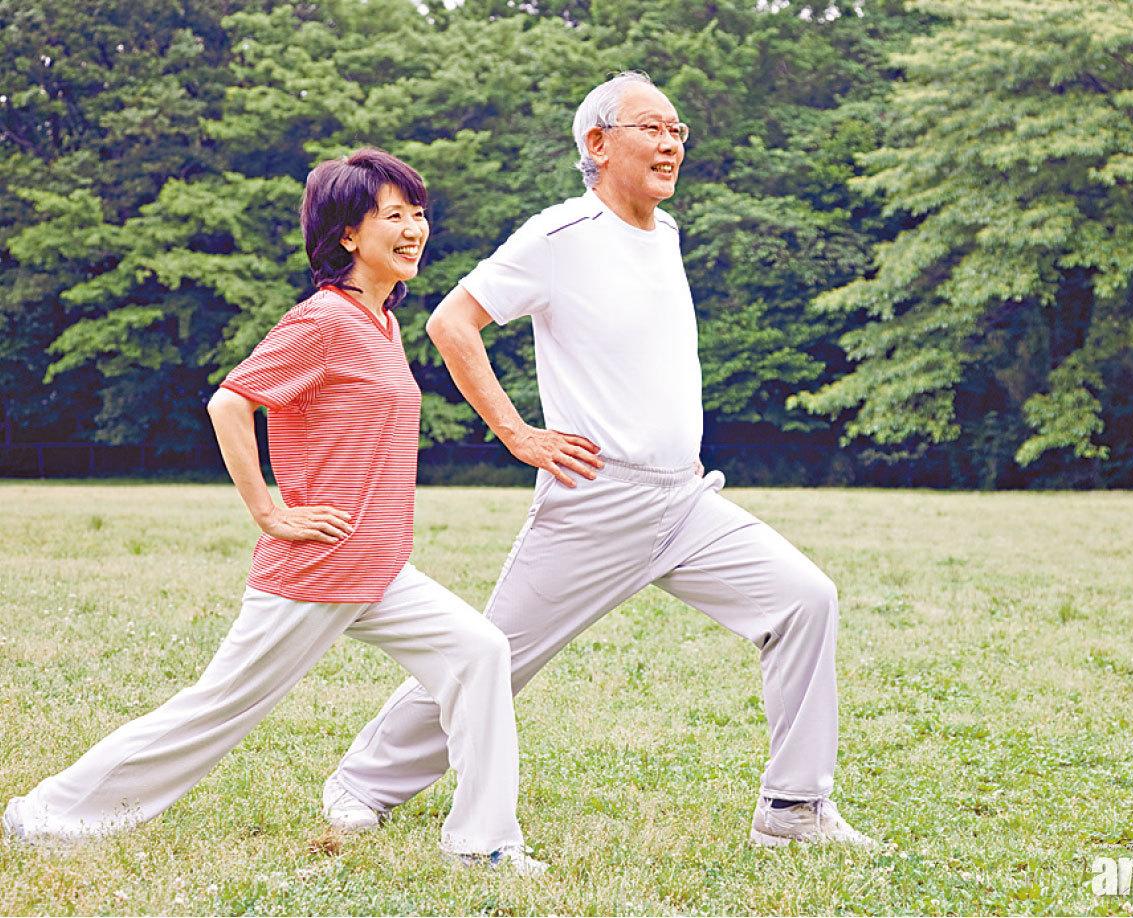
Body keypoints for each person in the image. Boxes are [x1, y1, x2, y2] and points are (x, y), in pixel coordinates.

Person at [321, 75, 875, 849]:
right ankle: (361, 784)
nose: (671, 144)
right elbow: (452, 322)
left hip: (685, 501)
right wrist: (518, 434)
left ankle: (793, 809)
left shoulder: (666, 231)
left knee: (804, 600)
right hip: (597, 501)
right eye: (652, 128)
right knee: (495, 658)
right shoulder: (560, 235)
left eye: (678, 131)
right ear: (598, 143)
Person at [3, 149, 546, 874]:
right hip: (317, 569)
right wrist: (268, 509)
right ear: (348, 234)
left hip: (378, 566)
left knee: (480, 652)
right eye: (394, 215)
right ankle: (45, 816)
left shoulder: (381, 324)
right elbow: (230, 402)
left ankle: (483, 842)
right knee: (217, 709)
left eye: (418, 214)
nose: (414, 229)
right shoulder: (323, 319)